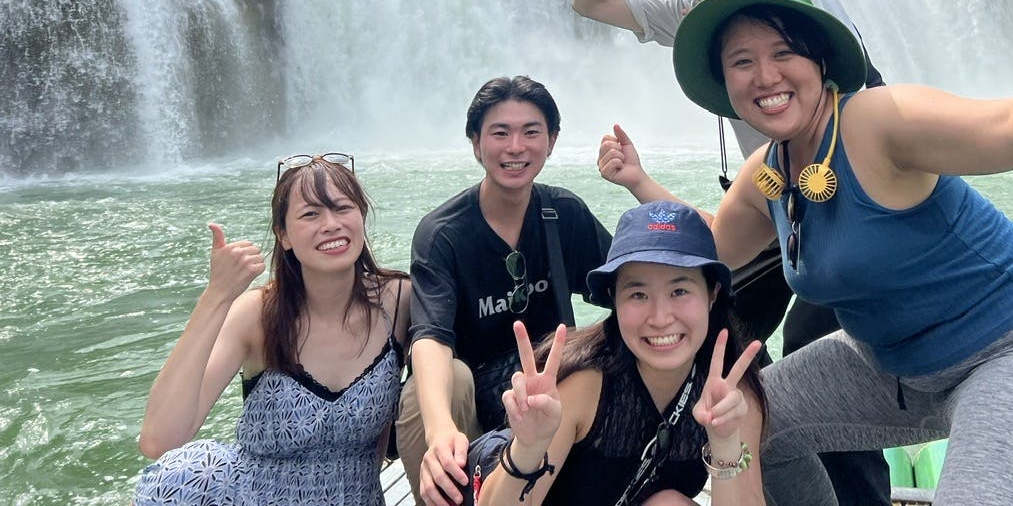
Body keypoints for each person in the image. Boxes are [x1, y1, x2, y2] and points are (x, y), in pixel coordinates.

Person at [599, 0, 1013, 506]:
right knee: (747, 421)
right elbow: (708, 245)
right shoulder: (769, 172)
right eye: (742, 61)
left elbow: (1012, 126)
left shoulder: (877, 122)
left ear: (820, 62)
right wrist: (638, 182)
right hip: (887, 363)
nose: (765, 75)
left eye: (784, 52)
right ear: (726, 84)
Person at [573, 0, 890, 505]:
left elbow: (862, 81)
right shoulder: (686, 19)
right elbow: (590, 1)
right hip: (778, 205)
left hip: (839, 194)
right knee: (721, 320)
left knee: (813, 341)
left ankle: (856, 493)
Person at [134, 153, 409, 506]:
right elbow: (159, 440)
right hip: (249, 494)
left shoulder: (399, 301)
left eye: (343, 208)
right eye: (311, 214)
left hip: (357, 495)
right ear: (284, 235)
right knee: (176, 479)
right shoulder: (258, 314)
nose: (331, 224)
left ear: (361, 216)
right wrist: (216, 297)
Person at [398, 76, 612, 506]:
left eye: (531, 132)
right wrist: (441, 429)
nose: (516, 147)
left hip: (547, 388)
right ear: (476, 143)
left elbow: (628, 290)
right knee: (443, 383)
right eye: (500, 133)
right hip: (471, 400)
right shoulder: (444, 234)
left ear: (551, 141)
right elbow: (431, 340)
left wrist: (636, 184)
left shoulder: (562, 214)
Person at [478, 200, 767, 506]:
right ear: (614, 300)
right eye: (638, 294)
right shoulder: (583, 384)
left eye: (679, 291)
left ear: (712, 294)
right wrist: (528, 447)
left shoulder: (731, 395)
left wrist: (724, 444)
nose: (659, 317)